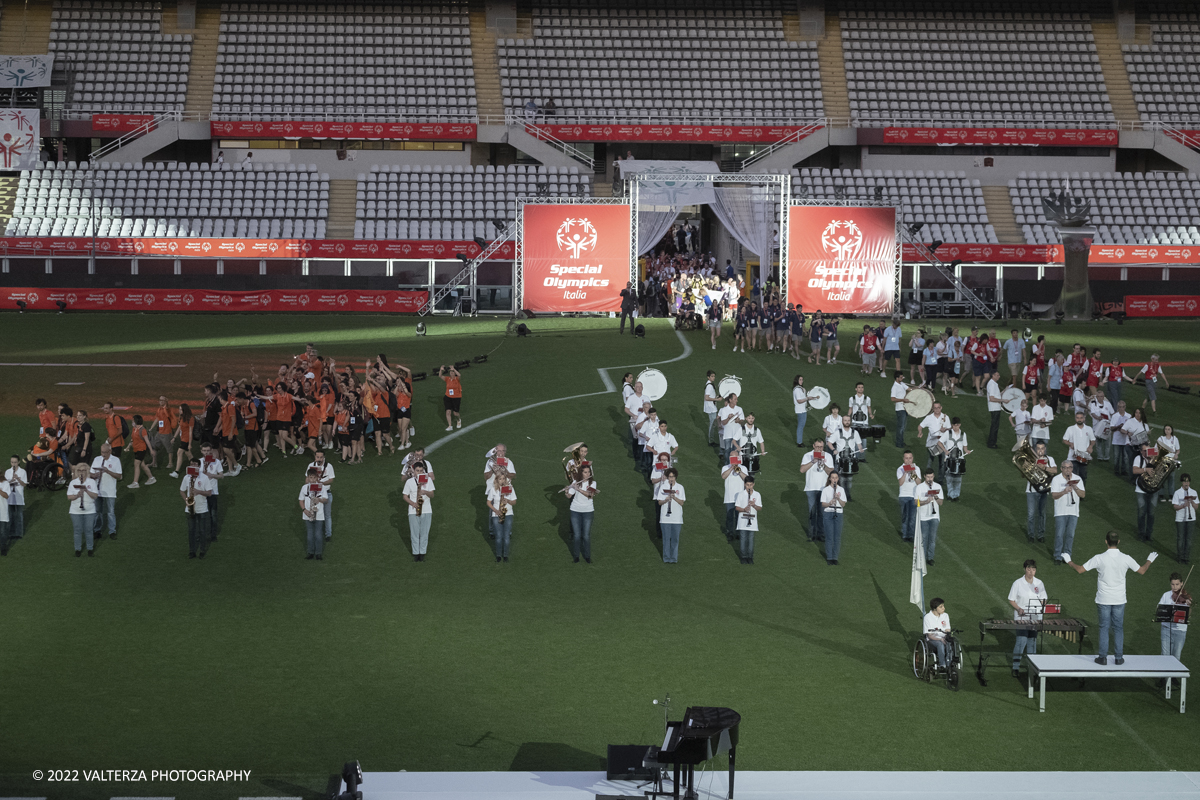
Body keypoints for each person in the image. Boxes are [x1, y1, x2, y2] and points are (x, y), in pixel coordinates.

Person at [1067, 530, 1157, 665]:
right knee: (1118, 628)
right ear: (1118, 542)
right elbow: (1142, 570)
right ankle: (1119, 658)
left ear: (1106, 542)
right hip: (1119, 599)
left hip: (1103, 599)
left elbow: (1080, 569)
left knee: (1104, 627)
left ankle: (1102, 657)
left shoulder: (1099, 558)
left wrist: (1069, 561)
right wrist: (1149, 560)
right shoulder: (1126, 558)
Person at [1008, 559, 1047, 677]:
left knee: (1032, 642)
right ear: (1025, 569)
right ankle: (1016, 667)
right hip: (1022, 616)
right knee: (1021, 641)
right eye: (1029, 569)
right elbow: (1011, 600)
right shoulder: (1017, 583)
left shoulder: (1039, 583)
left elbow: (1044, 599)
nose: (1031, 572)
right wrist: (1019, 608)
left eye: (1033, 569)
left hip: (1035, 616)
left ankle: (1032, 667)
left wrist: (1043, 605)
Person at [1050, 460, 1085, 564]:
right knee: (1059, 535)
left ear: (1072, 468)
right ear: (1061, 469)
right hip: (1060, 511)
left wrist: (1076, 488)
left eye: (1069, 467)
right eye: (1065, 467)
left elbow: (1083, 495)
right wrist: (1064, 491)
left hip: (1073, 511)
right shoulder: (1056, 479)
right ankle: (1057, 556)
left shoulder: (1077, 479)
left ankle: (1067, 555)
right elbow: (1054, 496)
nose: (1067, 470)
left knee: (1070, 535)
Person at [179, 458, 214, 558]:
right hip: (190, 508)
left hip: (202, 508)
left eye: (195, 464)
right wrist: (186, 500)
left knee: (202, 531)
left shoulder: (204, 478)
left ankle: (202, 551)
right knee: (191, 531)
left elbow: (209, 493)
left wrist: (199, 492)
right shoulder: (186, 477)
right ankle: (192, 551)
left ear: (199, 466)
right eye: (191, 464)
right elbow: (181, 490)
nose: (193, 466)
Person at [801, 439, 833, 542]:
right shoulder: (807, 455)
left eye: (821, 447)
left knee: (822, 512)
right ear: (814, 446)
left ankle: (820, 534)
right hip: (811, 488)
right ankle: (811, 534)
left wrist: (823, 465)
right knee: (812, 512)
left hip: (824, 489)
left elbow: (831, 473)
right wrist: (813, 461)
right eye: (818, 447)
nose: (819, 449)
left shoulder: (828, 456)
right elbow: (802, 470)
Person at [403, 460, 435, 561]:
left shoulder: (428, 480)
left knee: (425, 533)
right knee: (414, 533)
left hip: (426, 510)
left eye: (421, 470)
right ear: (414, 471)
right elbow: (405, 496)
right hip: (413, 510)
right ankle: (416, 554)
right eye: (417, 470)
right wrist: (413, 503)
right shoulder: (409, 482)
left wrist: (425, 492)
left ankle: (423, 553)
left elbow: (432, 495)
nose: (419, 472)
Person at [1025, 441, 1057, 543]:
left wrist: (1045, 468)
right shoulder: (1030, 459)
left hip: (1043, 490)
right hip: (1031, 490)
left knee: (1042, 514)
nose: (1040, 451)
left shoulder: (1049, 459)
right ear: (1035, 449)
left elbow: (1055, 470)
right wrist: (1026, 468)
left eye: (1042, 448)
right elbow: (1023, 475)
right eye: (1038, 448)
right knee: (1031, 514)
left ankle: (1040, 535)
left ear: (1045, 449)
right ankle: (1031, 535)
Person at [89, 442, 121, 540]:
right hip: (98, 490)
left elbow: (119, 476)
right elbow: (91, 473)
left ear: (110, 451)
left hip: (110, 490)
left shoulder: (116, 460)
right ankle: (97, 530)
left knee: (110, 512)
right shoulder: (97, 459)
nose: (103, 454)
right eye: (102, 452)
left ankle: (112, 531)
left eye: (105, 452)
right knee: (98, 511)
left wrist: (108, 471)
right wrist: (94, 475)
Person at [66, 462, 99, 557]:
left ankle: (90, 548)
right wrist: (77, 495)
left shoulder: (91, 482)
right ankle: (77, 549)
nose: (81, 472)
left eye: (83, 470)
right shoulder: (73, 482)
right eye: (79, 470)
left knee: (89, 530)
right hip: (75, 510)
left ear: (87, 471)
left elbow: (95, 496)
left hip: (90, 510)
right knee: (77, 530)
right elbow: (69, 497)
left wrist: (86, 490)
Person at [566, 464, 596, 563]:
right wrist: (567, 490)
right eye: (585, 472)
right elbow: (569, 495)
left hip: (588, 511)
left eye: (589, 472)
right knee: (577, 535)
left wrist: (578, 489)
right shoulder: (575, 482)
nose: (588, 474)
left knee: (586, 535)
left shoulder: (593, 483)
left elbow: (590, 495)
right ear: (581, 473)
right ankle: (576, 556)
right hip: (575, 510)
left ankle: (587, 556)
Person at [1133, 442, 1162, 542]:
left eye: (1149, 450)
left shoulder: (1155, 460)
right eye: (1145, 451)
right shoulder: (1138, 459)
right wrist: (1146, 469)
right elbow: (1134, 470)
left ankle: (1149, 534)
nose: (1147, 452)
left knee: (1151, 513)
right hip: (1141, 489)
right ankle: (1141, 534)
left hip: (1153, 490)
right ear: (1141, 452)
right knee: (1141, 512)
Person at [299, 467, 330, 561]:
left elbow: (326, 500)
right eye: (310, 477)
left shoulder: (322, 487)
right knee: (309, 535)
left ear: (317, 478)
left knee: (318, 534)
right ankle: (310, 552)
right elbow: (301, 500)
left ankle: (318, 553)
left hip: (319, 514)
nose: (312, 479)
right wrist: (304, 509)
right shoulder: (304, 488)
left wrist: (319, 499)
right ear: (307, 478)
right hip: (307, 514)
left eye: (313, 477)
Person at [655, 468, 685, 564]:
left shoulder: (680, 487)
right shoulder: (663, 487)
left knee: (675, 539)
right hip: (665, 518)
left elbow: (682, 502)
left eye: (672, 477)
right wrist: (666, 500)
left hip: (677, 518)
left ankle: (674, 558)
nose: (671, 479)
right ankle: (666, 558)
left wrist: (674, 497)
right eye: (669, 477)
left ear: (675, 477)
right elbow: (659, 502)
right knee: (666, 539)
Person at [1160, 572, 1191, 661]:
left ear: (1181, 583)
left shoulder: (1186, 597)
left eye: (1177, 584)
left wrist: (1189, 605)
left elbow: (1188, 615)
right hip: (1166, 628)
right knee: (1164, 655)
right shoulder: (1166, 595)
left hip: (1180, 630)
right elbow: (1160, 610)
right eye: (1173, 584)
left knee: (1176, 657)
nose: (1175, 587)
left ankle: (1173, 675)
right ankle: (1166, 675)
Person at [938, 417, 971, 501]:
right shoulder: (947, 433)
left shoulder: (963, 434)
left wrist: (967, 451)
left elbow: (965, 446)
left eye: (957, 425)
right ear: (952, 425)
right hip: (949, 459)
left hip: (959, 459)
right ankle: (950, 495)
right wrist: (945, 450)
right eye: (954, 425)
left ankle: (956, 495)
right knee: (949, 478)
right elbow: (939, 442)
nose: (955, 427)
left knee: (958, 479)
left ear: (959, 425)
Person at [918, 401, 950, 482]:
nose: (937, 409)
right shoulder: (929, 418)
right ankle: (928, 479)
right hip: (932, 443)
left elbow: (950, 429)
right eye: (935, 408)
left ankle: (940, 480)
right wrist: (920, 432)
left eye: (938, 408)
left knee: (942, 463)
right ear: (933, 408)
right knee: (930, 462)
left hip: (942, 444)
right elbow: (920, 426)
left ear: (941, 408)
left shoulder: (946, 417)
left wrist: (945, 429)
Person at [488, 471, 517, 562]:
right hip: (496, 515)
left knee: (506, 537)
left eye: (503, 479)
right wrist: (495, 510)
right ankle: (498, 555)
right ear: (496, 480)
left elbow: (514, 502)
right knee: (499, 536)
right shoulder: (493, 489)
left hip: (508, 514)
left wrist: (507, 501)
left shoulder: (510, 489)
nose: (502, 480)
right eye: (500, 479)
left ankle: (505, 555)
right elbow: (488, 502)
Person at [306, 451, 335, 541]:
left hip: (326, 493)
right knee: (314, 514)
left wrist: (321, 483)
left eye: (321, 457)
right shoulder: (311, 465)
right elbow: (307, 480)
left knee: (327, 514)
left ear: (324, 457)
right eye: (317, 457)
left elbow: (331, 480)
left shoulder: (329, 466)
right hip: (313, 494)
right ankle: (314, 534)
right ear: (315, 457)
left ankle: (328, 534)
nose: (319, 459)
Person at [916, 470, 944, 565]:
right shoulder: (919, 487)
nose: (930, 479)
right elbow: (916, 503)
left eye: (931, 477)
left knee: (932, 539)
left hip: (934, 516)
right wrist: (925, 502)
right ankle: (922, 558)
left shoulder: (937, 487)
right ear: (924, 476)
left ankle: (930, 558)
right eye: (928, 477)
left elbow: (940, 503)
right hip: (923, 517)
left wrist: (935, 496)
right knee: (924, 538)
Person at [821, 470, 848, 565]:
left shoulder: (841, 490)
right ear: (829, 479)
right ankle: (829, 557)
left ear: (838, 479)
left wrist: (838, 498)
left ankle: (835, 557)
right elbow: (823, 504)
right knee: (829, 536)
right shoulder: (825, 490)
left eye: (836, 478)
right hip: (828, 513)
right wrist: (830, 503)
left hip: (838, 513)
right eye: (832, 478)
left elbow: (843, 504)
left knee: (837, 537)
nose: (834, 480)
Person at [199, 442, 224, 539]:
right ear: (201, 451)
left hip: (213, 491)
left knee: (213, 514)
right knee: (201, 514)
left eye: (208, 450)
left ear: (211, 450)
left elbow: (221, 475)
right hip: (201, 491)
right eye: (204, 451)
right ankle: (202, 533)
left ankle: (213, 534)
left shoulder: (216, 462)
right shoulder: (198, 462)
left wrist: (212, 475)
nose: (206, 452)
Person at [734, 475, 761, 564]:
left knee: (751, 540)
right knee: (743, 539)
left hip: (752, 522)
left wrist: (754, 505)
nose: (749, 487)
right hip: (742, 521)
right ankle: (743, 557)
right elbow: (737, 507)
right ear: (744, 484)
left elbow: (759, 508)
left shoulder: (757, 494)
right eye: (747, 485)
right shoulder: (740, 494)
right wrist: (744, 509)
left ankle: (750, 557)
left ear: (753, 484)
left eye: (750, 485)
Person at [722, 453, 749, 541]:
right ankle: (730, 532)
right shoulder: (725, 467)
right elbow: (723, 476)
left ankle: (738, 533)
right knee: (730, 516)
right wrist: (731, 468)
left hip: (740, 497)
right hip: (729, 496)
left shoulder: (743, 468)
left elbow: (746, 479)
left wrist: (739, 470)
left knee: (739, 516)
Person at [1062, 411, 1096, 481]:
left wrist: (1091, 446)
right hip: (1072, 457)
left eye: (1081, 418)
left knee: (1083, 476)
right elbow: (1064, 440)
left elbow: (1093, 440)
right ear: (1075, 418)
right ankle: (1072, 491)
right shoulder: (1070, 429)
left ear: (1084, 418)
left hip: (1084, 457)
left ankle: (1082, 491)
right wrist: (1070, 444)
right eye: (1077, 418)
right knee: (1072, 476)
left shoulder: (1089, 429)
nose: (1079, 419)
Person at [126, 415, 156, 489]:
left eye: (133, 421)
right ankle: (151, 478)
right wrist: (128, 446)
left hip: (141, 450)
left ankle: (135, 482)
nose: (132, 422)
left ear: (136, 421)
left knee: (136, 464)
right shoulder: (134, 429)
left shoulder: (142, 430)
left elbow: (147, 441)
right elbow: (132, 439)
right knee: (142, 465)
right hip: (136, 449)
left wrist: (151, 450)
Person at [1173, 473, 1197, 563]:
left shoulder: (1193, 492)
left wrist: (1192, 503)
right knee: (1180, 538)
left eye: (1187, 481)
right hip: (1180, 519)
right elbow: (1175, 506)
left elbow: (1196, 507)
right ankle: (1180, 557)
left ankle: (1186, 557)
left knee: (1189, 539)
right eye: (1184, 481)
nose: (1186, 483)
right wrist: (1183, 506)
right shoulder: (1177, 493)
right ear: (1182, 482)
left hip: (1191, 519)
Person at [897, 450, 920, 542]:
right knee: (905, 516)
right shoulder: (900, 469)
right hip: (903, 496)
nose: (908, 460)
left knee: (913, 517)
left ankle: (911, 535)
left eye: (910, 458)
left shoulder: (917, 468)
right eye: (906, 458)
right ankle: (904, 534)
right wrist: (905, 472)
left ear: (912, 458)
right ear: (903, 459)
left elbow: (919, 483)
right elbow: (901, 483)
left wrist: (913, 472)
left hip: (915, 496)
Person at [5, 455, 28, 543]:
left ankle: (18, 533)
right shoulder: (8, 472)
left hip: (19, 498)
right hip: (10, 497)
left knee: (19, 516)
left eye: (15, 462)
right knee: (10, 516)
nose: (13, 464)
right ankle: (11, 533)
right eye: (12, 462)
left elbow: (24, 484)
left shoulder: (23, 472)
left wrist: (18, 479)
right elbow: (5, 484)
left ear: (18, 462)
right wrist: (11, 480)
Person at [923, 597, 952, 667]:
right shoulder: (927, 617)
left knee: (952, 643)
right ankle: (942, 664)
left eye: (943, 606)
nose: (944, 608)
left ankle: (950, 664)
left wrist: (946, 636)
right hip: (933, 640)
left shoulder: (945, 616)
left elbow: (948, 629)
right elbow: (930, 635)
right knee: (940, 644)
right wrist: (940, 639)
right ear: (935, 608)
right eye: (941, 607)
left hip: (944, 638)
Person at [150, 395, 177, 469]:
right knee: (154, 447)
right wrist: (151, 428)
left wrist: (165, 406)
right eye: (160, 400)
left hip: (167, 433)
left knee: (169, 449)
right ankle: (154, 462)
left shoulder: (168, 410)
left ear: (166, 401)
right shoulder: (159, 409)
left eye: (162, 400)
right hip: (159, 432)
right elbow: (157, 419)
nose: (160, 401)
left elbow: (168, 414)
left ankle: (170, 463)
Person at [1157, 424, 1182, 500]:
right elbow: (1157, 449)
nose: (1167, 431)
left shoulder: (1175, 439)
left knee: (1171, 478)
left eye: (1169, 429)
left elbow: (1178, 450)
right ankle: (1161, 495)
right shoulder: (1161, 439)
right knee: (1162, 478)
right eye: (1166, 429)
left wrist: (1176, 454)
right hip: (1163, 461)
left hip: (1172, 461)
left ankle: (1171, 495)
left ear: (1171, 430)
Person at [718, 393, 745, 463]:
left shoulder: (739, 409)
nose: (737, 401)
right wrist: (728, 418)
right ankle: (727, 466)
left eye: (736, 399)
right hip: (728, 434)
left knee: (736, 450)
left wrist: (738, 420)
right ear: (730, 400)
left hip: (737, 434)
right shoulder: (724, 410)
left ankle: (736, 466)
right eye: (735, 399)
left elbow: (742, 422)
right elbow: (723, 422)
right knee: (727, 451)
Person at [1110, 400, 1132, 478]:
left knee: (1125, 457)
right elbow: (1112, 428)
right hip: (1116, 439)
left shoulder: (1129, 416)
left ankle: (1123, 470)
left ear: (1125, 407)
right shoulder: (1114, 416)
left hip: (1125, 440)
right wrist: (1118, 427)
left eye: (1123, 407)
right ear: (1117, 407)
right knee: (1116, 456)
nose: (1121, 409)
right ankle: (1116, 470)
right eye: (1119, 407)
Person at [440, 364, 463, 431]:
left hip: (456, 397)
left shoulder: (457, 379)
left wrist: (454, 369)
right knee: (448, 412)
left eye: (452, 372)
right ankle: (450, 426)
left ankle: (458, 420)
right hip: (448, 397)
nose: (451, 373)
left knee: (455, 413)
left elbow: (459, 375)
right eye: (450, 372)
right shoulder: (448, 379)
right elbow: (440, 376)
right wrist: (441, 370)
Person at [890, 371, 910, 448]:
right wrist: (903, 400)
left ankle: (901, 441)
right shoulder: (894, 387)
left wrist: (918, 389)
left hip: (905, 408)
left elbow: (909, 389)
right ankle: (899, 443)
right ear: (897, 378)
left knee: (903, 427)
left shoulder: (902, 384)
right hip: (900, 409)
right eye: (901, 377)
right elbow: (892, 399)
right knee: (900, 427)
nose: (902, 378)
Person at [985, 370, 1003, 448]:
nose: (999, 376)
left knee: (995, 426)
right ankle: (991, 443)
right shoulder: (992, 384)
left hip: (996, 407)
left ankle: (992, 442)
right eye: (997, 375)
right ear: (993, 375)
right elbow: (992, 398)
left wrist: (1005, 390)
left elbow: (997, 395)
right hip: (994, 407)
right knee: (994, 426)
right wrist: (1003, 400)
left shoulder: (993, 384)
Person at [703, 371, 720, 445]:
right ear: (708, 377)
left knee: (713, 424)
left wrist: (716, 397)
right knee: (712, 424)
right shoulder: (709, 386)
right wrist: (717, 399)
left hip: (711, 406)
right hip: (711, 407)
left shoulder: (709, 384)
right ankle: (711, 441)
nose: (713, 378)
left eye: (714, 376)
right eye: (712, 376)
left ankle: (711, 439)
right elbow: (706, 398)